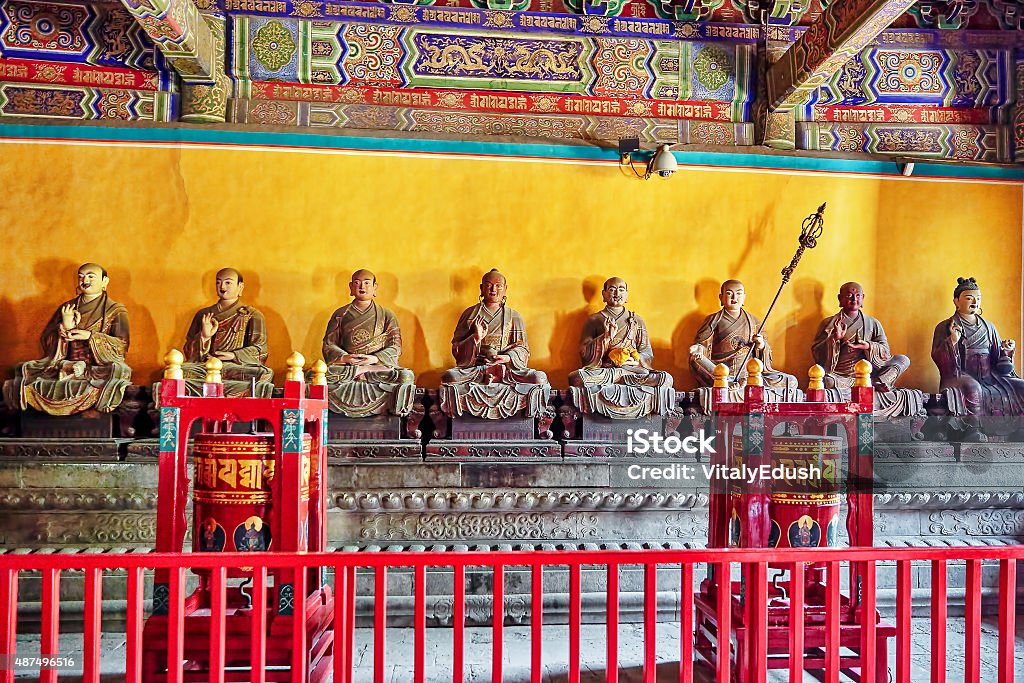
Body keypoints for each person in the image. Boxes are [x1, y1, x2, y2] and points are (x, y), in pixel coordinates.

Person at [3, 262, 131, 415]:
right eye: (81, 277)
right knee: (23, 370)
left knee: (118, 372)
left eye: (91, 276)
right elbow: (47, 339)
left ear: (105, 281)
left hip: (97, 368)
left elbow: (121, 345)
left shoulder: (115, 310)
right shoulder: (68, 307)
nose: (85, 280)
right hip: (65, 364)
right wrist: (64, 327)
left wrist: (90, 336)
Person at [439, 269, 550, 419]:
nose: (493, 290)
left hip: (506, 371)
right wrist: (475, 338)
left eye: (498, 286)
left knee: (539, 378)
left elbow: (523, 349)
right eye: (489, 285)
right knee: (449, 377)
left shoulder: (514, 316)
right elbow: (456, 349)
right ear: (481, 288)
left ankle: (497, 377)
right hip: (476, 369)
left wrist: (506, 358)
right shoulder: (469, 314)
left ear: (505, 289)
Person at [568, 277, 673, 418]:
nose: (617, 293)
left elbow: (647, 352)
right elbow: (584, 352)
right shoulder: (594, 320)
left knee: (666, 378)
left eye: (621, 290)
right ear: (604, 294)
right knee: (578, 377)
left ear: (627, 295)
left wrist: (635, 360)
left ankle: (624, 378)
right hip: (606, 371)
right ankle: (620, 379)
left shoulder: (637, 320)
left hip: (632, 372)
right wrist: (605, 337)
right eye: (612, 289)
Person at [931, 277, 1024, 435]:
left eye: (978, 298)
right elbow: (937, 356)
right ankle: (972, 430)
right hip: (960, 375)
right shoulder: (945, 326)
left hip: (990, 376)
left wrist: (1006, 352)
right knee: (972, 388)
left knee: (1021, 386)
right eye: (969, 298)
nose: (975, 302)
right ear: (956, 301)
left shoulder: (989, 327)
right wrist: (952, 341)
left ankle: (1019, 428)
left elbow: (999, 362)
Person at [322, 269, 415, 418]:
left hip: (377, 367)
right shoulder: (340, 314)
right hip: (348, 367)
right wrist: (346, 358)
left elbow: (396, 346)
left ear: (375, 287)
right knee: (313, 375)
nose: (362, 287)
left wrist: (374, 359)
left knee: (406, 376)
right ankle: (359, 371)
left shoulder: (386, 315)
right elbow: (329, 344)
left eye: (366, 283)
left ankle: (363, 370)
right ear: (351, 287)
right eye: (357, 283)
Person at [689, 279, 798, 399]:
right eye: (729, 293)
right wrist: (698, 348)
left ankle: (734, 384)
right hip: (722, 371)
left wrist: (761, 345)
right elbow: (702, 344)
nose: (734, 297)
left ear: (744, 297)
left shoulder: (754, 321)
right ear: (721, 297)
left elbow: (765, 353)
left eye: (739, 293)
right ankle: (727, 382)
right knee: (696, 358)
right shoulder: (714, 320)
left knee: (790, 381)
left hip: (750, 374)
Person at [180, 268, 273, 398]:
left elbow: (260, 351)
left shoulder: (252, 315)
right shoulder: (203, 314)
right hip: (206, 368)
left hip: (234, 368)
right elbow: (189, 353)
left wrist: (233, 355)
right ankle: (227, 392)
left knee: (263, 373)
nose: (222, 287)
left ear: (240, 287)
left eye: (228, 282)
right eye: (218, 283)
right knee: (178, 371)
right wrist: (204, 337)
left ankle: (212, 392)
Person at [811, 282, 909, 391]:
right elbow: (817, 353)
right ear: (840, 298)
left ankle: (879, 381)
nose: (854, 299)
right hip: (841, 377)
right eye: (849, 296)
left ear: (863, 298)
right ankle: (870, 386)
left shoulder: (873, 323)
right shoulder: (828, 323)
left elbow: (886, 352)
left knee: (903, 360)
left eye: (858, 295)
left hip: (869, 375)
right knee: (827, 380)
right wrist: (834, 339)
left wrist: (868, 346)